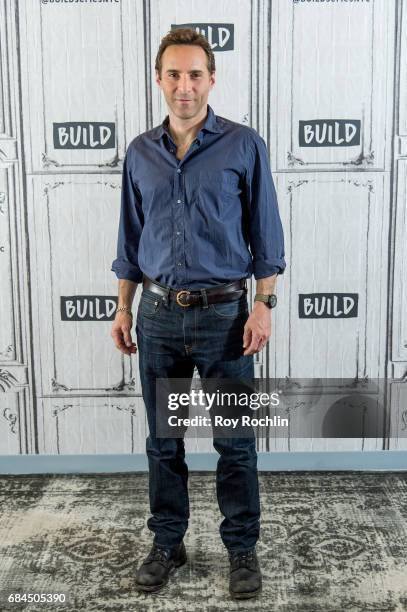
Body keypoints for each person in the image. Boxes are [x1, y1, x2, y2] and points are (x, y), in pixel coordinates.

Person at [110, 27, 286, 601]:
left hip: (225, 320)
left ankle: (241, 549)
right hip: (157, 319)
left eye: (195, 74)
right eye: (173, 74)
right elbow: (130, 241)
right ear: (159, 79)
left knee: (235, 442)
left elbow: (266, 235)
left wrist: (262, 305)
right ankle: (168, 541)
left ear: (212, 79)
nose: (183, 86)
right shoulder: (139, 153)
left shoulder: (243, 145)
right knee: (164, 442)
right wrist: (122, 308)